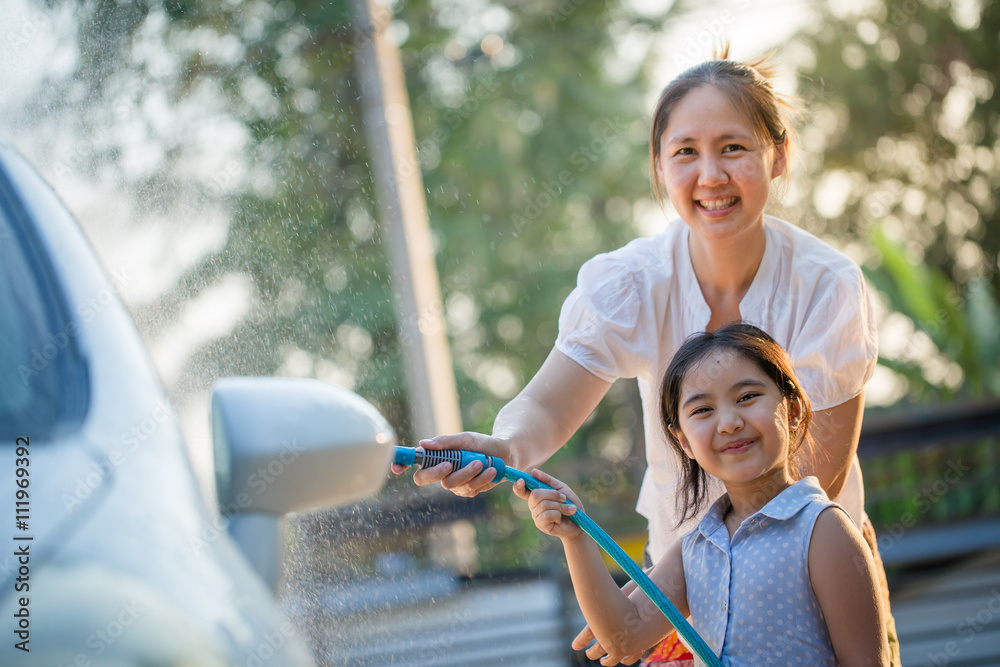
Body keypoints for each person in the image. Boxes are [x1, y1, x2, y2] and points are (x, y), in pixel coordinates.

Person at [392, 45, 899, 663]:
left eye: (733, 148)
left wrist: (665, 588)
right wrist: (506, 450)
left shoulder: (827, 284)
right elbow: (548, 408)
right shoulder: (631, 280)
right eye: (685, 152)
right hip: (681, 585)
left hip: (808, 576)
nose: (710, 175)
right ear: (660, 169)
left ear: (779, 155)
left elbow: (816, 469)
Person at [512, 323, 890, 666]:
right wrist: (576, 536)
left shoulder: (824, 532)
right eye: (704, 409)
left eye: (746, 397)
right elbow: (621, 638)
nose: (728, 423)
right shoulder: (695, 549)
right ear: (684, 442)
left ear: (791, 411)